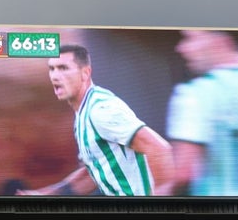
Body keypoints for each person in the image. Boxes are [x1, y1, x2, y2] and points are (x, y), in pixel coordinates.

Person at [17, 44, 174, 196]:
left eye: (63, 68)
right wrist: (43, 194)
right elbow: (91, 173)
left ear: (85, 73)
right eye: (52, 69)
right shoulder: (83, 114)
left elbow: (159, 149)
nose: (55, 76)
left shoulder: (100, 109)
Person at [165, 29, 238, 197]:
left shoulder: (197, 93)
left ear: (221, 41)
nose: (181, 48)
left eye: (190, 39)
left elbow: (183, 173)